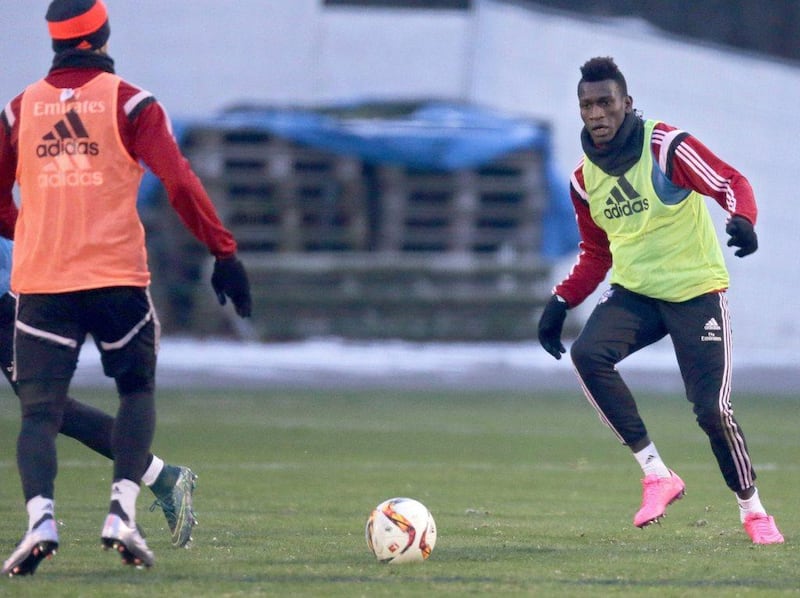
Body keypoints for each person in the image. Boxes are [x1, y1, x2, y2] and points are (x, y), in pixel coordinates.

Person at [0, 0, 252, 575]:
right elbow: (179, 181)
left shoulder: (18, 111)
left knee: (38, 413)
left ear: (53, 41)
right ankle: (122, 511)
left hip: (41, 285)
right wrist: (223, 251)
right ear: (104, 32)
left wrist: (39, 232)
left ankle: (40, 519)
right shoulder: (131, 102)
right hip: (116, 280)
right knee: (136, 393)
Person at [537, 56, 783, 545]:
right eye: (586, 105)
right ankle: (656, 474)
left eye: (605, 102)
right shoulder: (584, 181)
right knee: (588, 355)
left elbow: (729, 182)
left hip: (696, 294)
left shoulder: (665, 146)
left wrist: (745, 220)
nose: (596, 113)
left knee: (712, 412)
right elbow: (596, 253)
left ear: (627, 104)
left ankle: (753, 511)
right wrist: (560, 302)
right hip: (637, 295)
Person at [0, 237, 198, 560]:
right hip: (21, 282)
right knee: (47, 409)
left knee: (47, 409)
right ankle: (155, 481)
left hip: (10, 295)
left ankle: (159, 478)